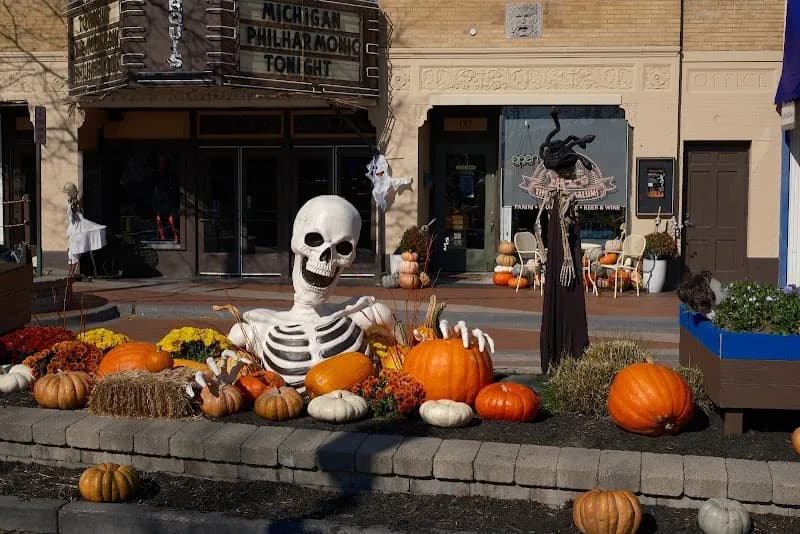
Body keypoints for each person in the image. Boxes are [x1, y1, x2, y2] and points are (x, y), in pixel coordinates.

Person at [62, 182, 106, 286]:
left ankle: (71, 275)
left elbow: (74, 215)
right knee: (73, 253)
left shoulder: (73, 204)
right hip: (76, 231)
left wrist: (73, 206)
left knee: (74, 253)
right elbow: (73, 215)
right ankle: (71, 275)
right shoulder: (73, 204)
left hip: (77, 232)